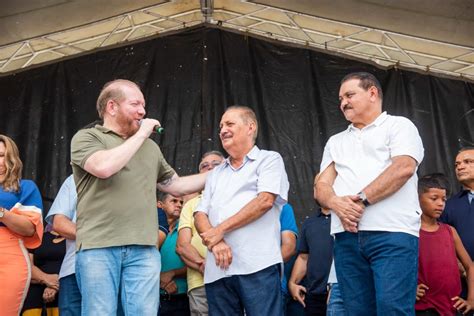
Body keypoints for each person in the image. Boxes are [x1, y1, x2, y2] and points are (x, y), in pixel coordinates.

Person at [70, 79, 207, 315]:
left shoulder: (150, 148)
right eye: (135, 104)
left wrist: (220, 174)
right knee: (99, 312)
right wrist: (142, 133)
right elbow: (103, 168)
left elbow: (175, 185)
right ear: (112, 107)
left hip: (144, 248)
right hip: (98, 246)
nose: (143, 111)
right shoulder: (87, 138)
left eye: (143, 105)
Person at [315, 72, 424, 315]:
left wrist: (360, 200)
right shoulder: (336, 141)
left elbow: (404, 167)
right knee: (357, 311)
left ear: (372, 93)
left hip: (392, 233)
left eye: (350, 95)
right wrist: (335, 202)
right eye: (341, 98)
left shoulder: (399, 125)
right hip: (346, 237)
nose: (343, 102)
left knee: (392, 309)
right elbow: (321, 185)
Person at [194, 105, 289, 316]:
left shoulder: (269, 159)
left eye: (229, 124)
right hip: (218, 271)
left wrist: (219, 230)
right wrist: (216, 240)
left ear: (250, 127)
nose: (222, 130)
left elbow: (264, 200)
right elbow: (200, 214)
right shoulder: (216, 173)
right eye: (220, 127)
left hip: (257, 265)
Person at [416, 173, 474, 315]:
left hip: (452, 308)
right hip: (424, 308)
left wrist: (471, 300)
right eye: (434, 199)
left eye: (444, 199)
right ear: (417, 199)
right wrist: (408, 287)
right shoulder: (411, 231)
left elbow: (470, 266)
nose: (441, 203)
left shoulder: (450, 231)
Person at [176, 150, 225, 316]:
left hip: (232, 277)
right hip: (199, 281)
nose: (209, 168)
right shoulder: (191, 205)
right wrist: (202, 264)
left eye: (216, 164)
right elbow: (182, 245)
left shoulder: (236, 197)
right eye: (205, 166)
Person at [0, 134, 44, 316]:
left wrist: (1, 212)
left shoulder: (24, 187)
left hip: (9, 257)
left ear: (11, 157)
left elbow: (28, 228)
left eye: (2, 155)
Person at [45, 174, 82, 316]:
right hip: (73, 268)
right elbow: (59, 224)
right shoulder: (74, 179)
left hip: (118, 268)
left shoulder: (130, 177)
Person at [441, 147, 474, 298]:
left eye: (467, 162)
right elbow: (440, 241)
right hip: (464, 283)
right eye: (457, 164)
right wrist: (459, 265)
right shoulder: (448, 206)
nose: (460, 167)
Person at [287, 208, 333, 316]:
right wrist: (292, 283)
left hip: (341, 294)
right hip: (314, 296)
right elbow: (304, 257)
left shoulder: (347, 219)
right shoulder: (309, 223)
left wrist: (337, 287)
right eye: (316, 189)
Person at [22, 224, 65, 316]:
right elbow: (27, 266)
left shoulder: (76, 238)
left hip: (64, 295)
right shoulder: (38, 237)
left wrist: (54, 285)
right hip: (34, 298)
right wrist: (47, 280)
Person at [158, 193, 189, 316]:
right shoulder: (151, 231)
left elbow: (199, 263)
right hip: (155, 299)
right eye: (174, 201)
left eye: (181, 202)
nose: (179, 205)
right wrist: (161, 280)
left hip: (182, 296)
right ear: (160, 205)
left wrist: (172, 273)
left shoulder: (186, 229)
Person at [280, 203, 299, 315]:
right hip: (227, 282)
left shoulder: (283, 207)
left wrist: (260, 270)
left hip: (270, 285)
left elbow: (289, 248)